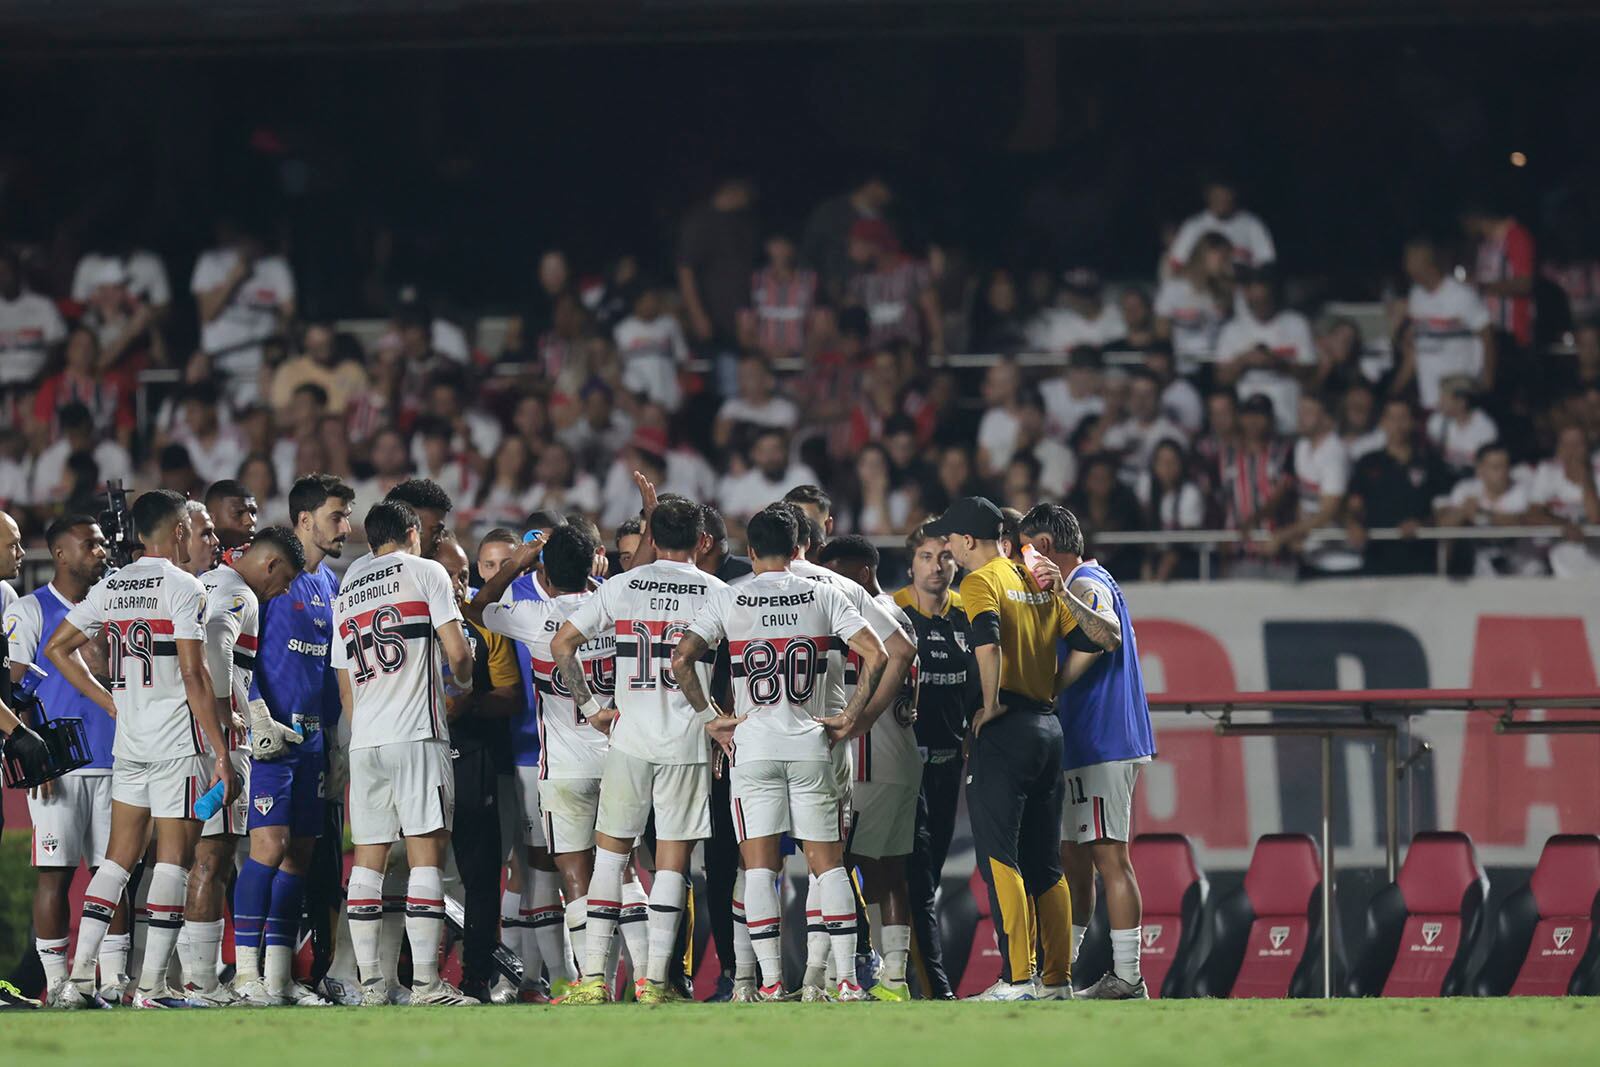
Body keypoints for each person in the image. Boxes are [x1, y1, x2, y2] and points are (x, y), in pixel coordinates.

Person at [670, 504, 889, 1002]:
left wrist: (711, 720)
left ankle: (768, 983)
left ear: (749, 552)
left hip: (753, 745)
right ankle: (848, 982)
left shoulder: (731, 596)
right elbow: (876, 652)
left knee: (760, 868)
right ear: (797, 549)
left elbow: (682, 658)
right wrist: (851, 717)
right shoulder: (823, 593)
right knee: (828, 865)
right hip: (813, 741)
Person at [44, 490, 239, 1009]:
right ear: (178, 533)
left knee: (116, 862)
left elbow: (57, 648)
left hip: (130, 744)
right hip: (179, 743)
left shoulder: (112, 585)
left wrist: (109, 701)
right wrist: (221, 753)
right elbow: (194, 674)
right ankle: (151, 987)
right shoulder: (186, 587)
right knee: (172, 861)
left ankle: (78, 980)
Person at [550, 497, 725, 1004]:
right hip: (688, 740)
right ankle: (654, 984)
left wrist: (589, 708)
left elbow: (563, 645)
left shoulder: (622, 586)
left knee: (610, 858)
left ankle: (592, 982)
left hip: (629, 738)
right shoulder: (716, 592)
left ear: (650, 538)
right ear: (703, 541)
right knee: (671, 863)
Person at [923, 495, 1079, 1001]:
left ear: (968, 541)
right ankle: (1057, 979)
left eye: (949, 539)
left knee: (1000, 858)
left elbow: (987, 642)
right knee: (1045, 862)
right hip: (1047, 728)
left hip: (1007, 728)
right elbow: (1087, 640)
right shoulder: (1033, 577)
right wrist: (1052, 684)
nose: (947, 548)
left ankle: (1016, 979)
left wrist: (988, 705)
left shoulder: (981, 581)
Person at [465, 524, 624, 998]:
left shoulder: (535, 616)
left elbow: (475, 607)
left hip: (563, 764)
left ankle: (587, 980)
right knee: (624, 871)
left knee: (571, 874)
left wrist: (518, 562)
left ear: (546, 575)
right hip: (619, 755)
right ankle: (633, 979)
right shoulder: (616, 604)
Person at [334, 500, 476, 1006]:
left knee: (368, 862)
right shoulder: (427, 571)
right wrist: (465, 678)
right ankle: (425, 984)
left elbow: (343, 679)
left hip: (365, 738)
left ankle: (370, 984)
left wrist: (362, 729)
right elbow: (458, 654)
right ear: (413, 533)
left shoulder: (348, 585)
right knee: (425, 857)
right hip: (417, 733)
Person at [1019, 503, 1153, 1000]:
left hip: (1102, 740)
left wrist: (1057, 593)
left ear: (1046, 549)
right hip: (1087, 741)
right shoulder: (1092, 581)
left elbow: (1106, 635)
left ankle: (1129, 976)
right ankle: (1059, 973)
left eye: (1026, 549)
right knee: (1074, 857)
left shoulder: (1085, 584)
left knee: (1109, 857)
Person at [235, 475, 354, 1006]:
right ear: (305, 520)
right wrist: (256, 716)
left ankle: (280, 979)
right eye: (337, 516)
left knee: (298, 860)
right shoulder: (262, 579)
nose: (346, 527)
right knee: (268, 849)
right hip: (269, 744)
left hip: (311, 745)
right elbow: (238, 660)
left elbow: (330, 671)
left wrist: (336, 741)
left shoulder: (328, 584)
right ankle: (243, 975)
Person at [190, 527, 306, 1006]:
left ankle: (196, 978)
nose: (282, 591)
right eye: (284, 581)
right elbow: (216, 646)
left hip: (193, 732)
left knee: (198, 857)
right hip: (213, 740)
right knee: (212, 857)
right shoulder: (241, 594)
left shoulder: (208, 581)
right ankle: (202, 982)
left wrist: (249, 709)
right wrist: (223, 713)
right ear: (272, 566)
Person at [6, 518, 119, 1004]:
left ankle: (113, 983)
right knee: (55, 873)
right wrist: (34, 756)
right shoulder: (31, 610)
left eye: (100, 542)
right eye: (89, 544)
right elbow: (12, 690)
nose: (100, 550)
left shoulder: (117, 606)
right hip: (59, 768)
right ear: (60, 554)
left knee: (113, 874)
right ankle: (57, 987)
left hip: (117, 758)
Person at [816, 534, 923, 1002]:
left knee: (835, 865)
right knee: (888, 872)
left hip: (869, 761)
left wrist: (860, 720)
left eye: (838, 574)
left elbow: (892, 665)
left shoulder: (868, 619)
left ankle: (840, 971)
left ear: (861, 573)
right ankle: (894, 978)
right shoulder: (901, 616)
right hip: (900, 757)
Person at [432, 535, 524, 1003]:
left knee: (481, 875)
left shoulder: (486, 624)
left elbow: (511, 696)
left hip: (474, 756)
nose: (456, 583)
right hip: (419, 754)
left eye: (464, 575)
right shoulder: (411, 618)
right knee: (417, 871)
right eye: (448, 573)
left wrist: (467, 706)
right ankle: (412, 976)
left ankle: (475, 979)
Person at [892, 526, 979, 999]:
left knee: (927, 877)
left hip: (949, 768)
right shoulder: (892, 611)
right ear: (912, 564)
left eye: (944, 558)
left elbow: (981, 682)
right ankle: (933, 987)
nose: (936, 566)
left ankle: (893, 974)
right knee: (917, 880)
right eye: (926, 556)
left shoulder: (968, 613)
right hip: (904, 770)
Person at [1396, 236, 1497, 411]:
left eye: (1411, 260)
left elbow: (1488, 338)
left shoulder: (1462, 295)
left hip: (1460, 398)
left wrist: (1486, 384)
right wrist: (1395, 389)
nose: (1407, 267)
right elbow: (1414, 349)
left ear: (1428, 262)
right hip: (1429, 399)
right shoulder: (1416, 296)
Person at [1165, 173, 1276, 273]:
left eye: (1226, 196)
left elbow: (1267, 261)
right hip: (1202, 290)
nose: (1222, 201)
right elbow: (1176, 263)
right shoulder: (1194, 225)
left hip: (1241, 287)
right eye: (1217, 196)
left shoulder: (1251, 223)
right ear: (1208, 196)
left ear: (1234, 195)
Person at [205, 479, 260, 552]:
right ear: (209, 519)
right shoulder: (190, 560)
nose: (250, 521)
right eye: (238, 513)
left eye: (253, 513)